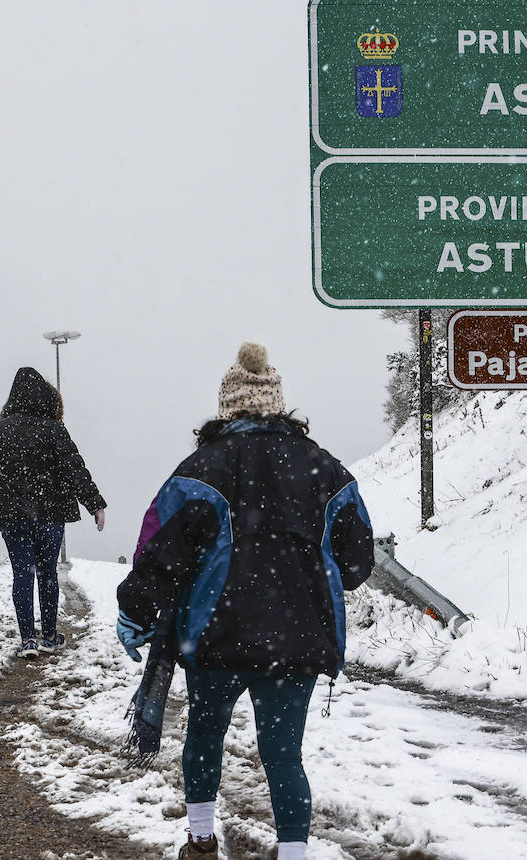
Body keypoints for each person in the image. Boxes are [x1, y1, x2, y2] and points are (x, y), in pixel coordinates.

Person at [116, 342, 374, 860]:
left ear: (225, 407)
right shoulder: (326, 472)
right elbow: (356, 564)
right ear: (279, 405)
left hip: (215, 636)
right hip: (297, 642)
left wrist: (136, 610)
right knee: (284, 757)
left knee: (205, 735)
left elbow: (158, 550)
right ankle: (294, 855)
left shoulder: (200, 470)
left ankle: (201, 840)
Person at [0, 367, 107, 658]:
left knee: (22, 574)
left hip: (12, 516)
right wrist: (95, 504)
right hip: (49, 514)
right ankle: (49, 635)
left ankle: (27, 640)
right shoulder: (53, 429)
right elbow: (76, 468)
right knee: (47, 573)